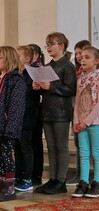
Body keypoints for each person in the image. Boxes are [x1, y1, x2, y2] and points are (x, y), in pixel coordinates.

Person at [33, 32, 77, 194]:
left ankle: (61, 180)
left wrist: (50, 87)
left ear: (62, 46)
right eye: (47, 45)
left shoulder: (67, 66)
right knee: (51, 146)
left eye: (52, 44)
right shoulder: (47, 66)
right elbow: (46, 90)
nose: (49, 47)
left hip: (61, 111)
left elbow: (71, 89)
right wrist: (38, 88)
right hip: (48, 111)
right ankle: (52, 179)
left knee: (61, 146)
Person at [0, 46, 26, 201]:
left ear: (8, 58)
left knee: (7, 157)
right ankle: (0, 187)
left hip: (7, 126)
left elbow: (17, 106)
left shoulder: (16, 79)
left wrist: (11, 128)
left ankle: (8, 189)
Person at [71, 46, 99, 198]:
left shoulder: (98, 77)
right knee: (83, 153)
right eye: (81, 58)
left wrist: (86, 122)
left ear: (97, 61)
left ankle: (97, 182)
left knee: (96, 153)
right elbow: (77, 102)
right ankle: (83, 182)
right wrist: (76, 121)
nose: (82, 60)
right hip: (80, 123)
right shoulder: (80, 79)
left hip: (94, 122)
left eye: (87, 57)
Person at [14, 45, 40, 192]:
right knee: (17, 148)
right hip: (17, 117)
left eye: (18, 56)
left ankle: (27, 178)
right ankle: (18, 176)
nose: (15, 59)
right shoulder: (17, 74)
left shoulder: (32, 74)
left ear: (27, 59)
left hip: (27, 116)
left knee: (25, 148)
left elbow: (30, 98)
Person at [67, 40, 91, 186]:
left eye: (81, 54)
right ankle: (80, 173)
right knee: (79, 143)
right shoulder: (76, 71)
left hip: (91, 114)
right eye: (76, 54)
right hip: (76, 110)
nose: (78, 57)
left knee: (93, 147)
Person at [28, 43, 45, 186]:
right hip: (28, 110)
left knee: (36, 143)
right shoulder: (24, 70)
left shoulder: (40, 69)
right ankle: (29, 172)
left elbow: (42, 92)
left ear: (36, 56)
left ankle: (37, 174)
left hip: (37, 110)